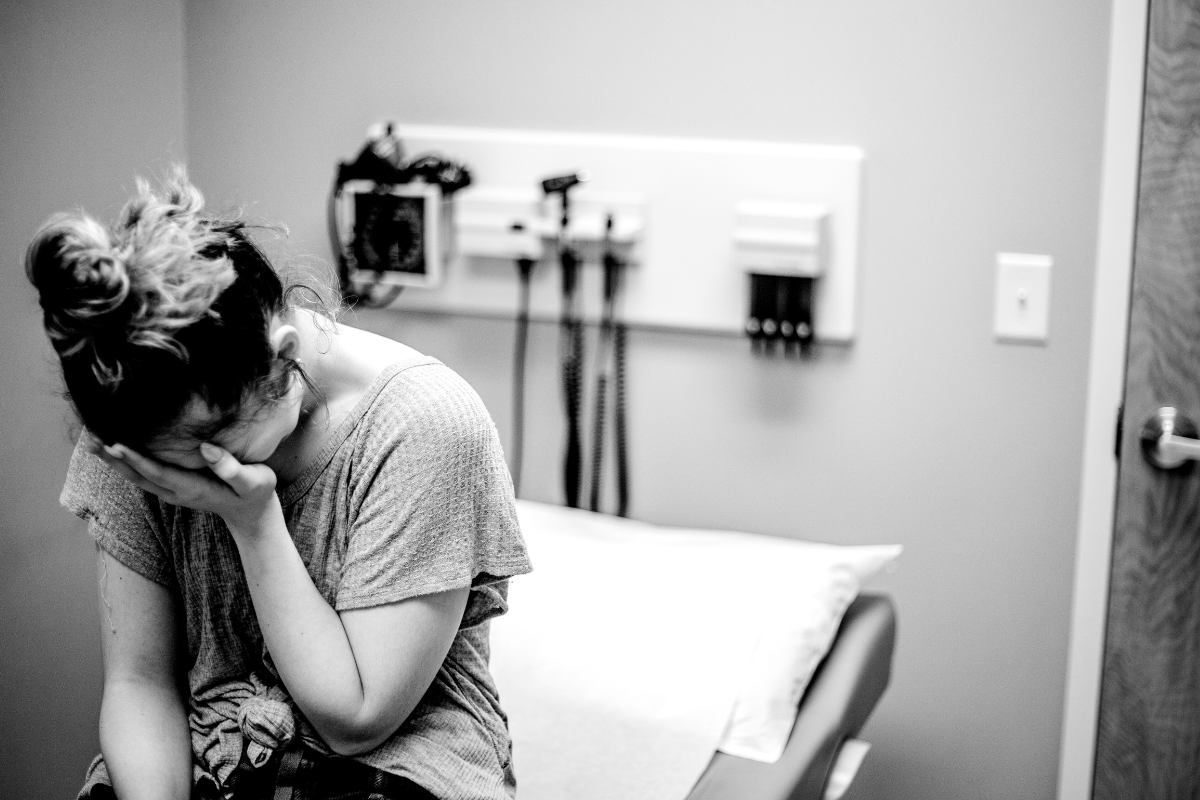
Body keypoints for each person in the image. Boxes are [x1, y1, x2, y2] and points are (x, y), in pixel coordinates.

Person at [25, 171, 531, 800]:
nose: (178, 481)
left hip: (394, 770)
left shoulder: (424, 427)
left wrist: (254, 521)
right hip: (212, 759)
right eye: (159, 465)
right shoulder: (136, 419)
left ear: (282, 362)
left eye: (210, 455)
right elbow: (139, 684)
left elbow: (354, 720)